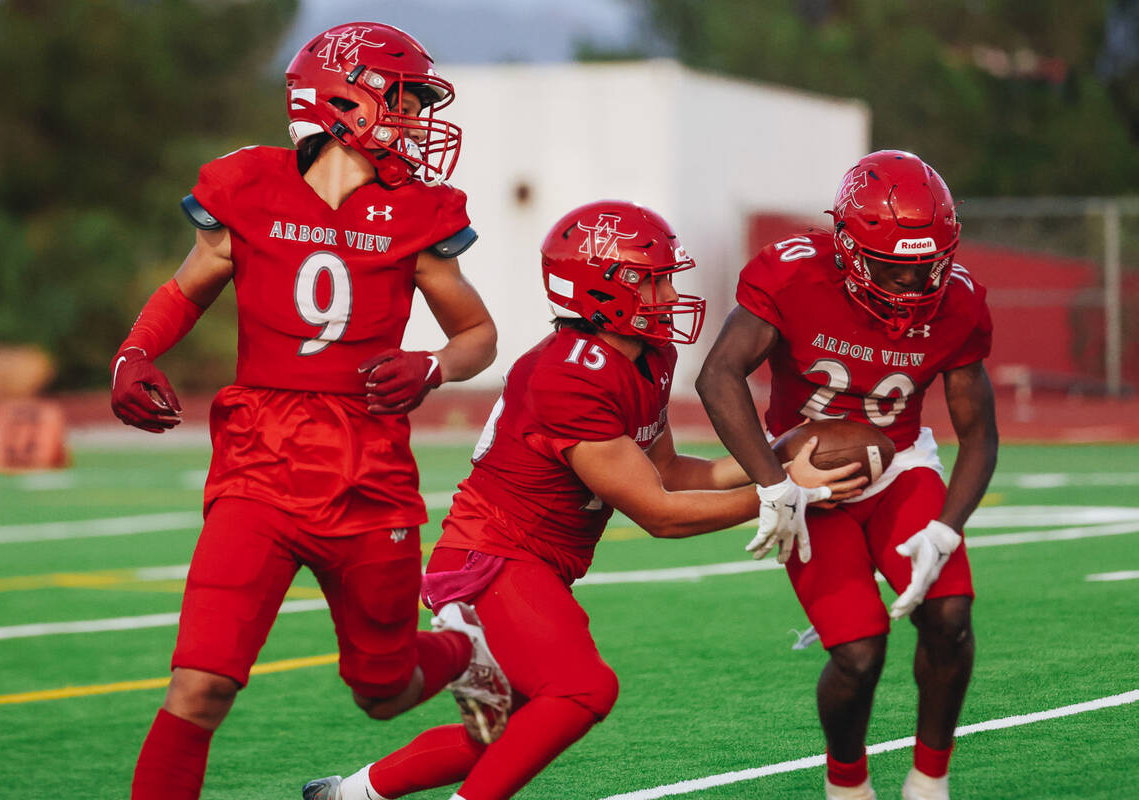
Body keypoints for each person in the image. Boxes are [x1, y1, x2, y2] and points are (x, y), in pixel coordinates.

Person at [301, 199, 867, 800]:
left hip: (530, 562)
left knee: (502, 733)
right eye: (652, 281)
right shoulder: (569, 373)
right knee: (580, 690)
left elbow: (669, 472)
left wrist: (770, 464)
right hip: (491, 558)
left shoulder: (650, 356)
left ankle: (346, 795)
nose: (668, 293)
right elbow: (659, 515)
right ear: (602, 290)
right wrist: (785, 497)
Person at [109, 22, 505, 800]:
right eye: (404, 99)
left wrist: (432, 365)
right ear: (341, 101)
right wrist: (133, 351)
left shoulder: (417, 211)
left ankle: (464, 656)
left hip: (369, 473)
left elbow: (478, 335)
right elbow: (187, 286)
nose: (418, 118)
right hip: (259, 462)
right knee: (200, 687)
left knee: (382, 690)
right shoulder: (248, 184)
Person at [696, 150, 997, 800]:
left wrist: (947, 528)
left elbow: (979, 433)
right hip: (809, 477)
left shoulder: (961, 301)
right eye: (895, 266)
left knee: (950, 616)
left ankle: (929, 781)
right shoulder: (791, 273)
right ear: (849, 246)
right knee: (858, 655)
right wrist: (773, 482)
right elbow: (718, 375)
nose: (914, 285)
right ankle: (847, 783)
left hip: (903, 464)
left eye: (926, 266)